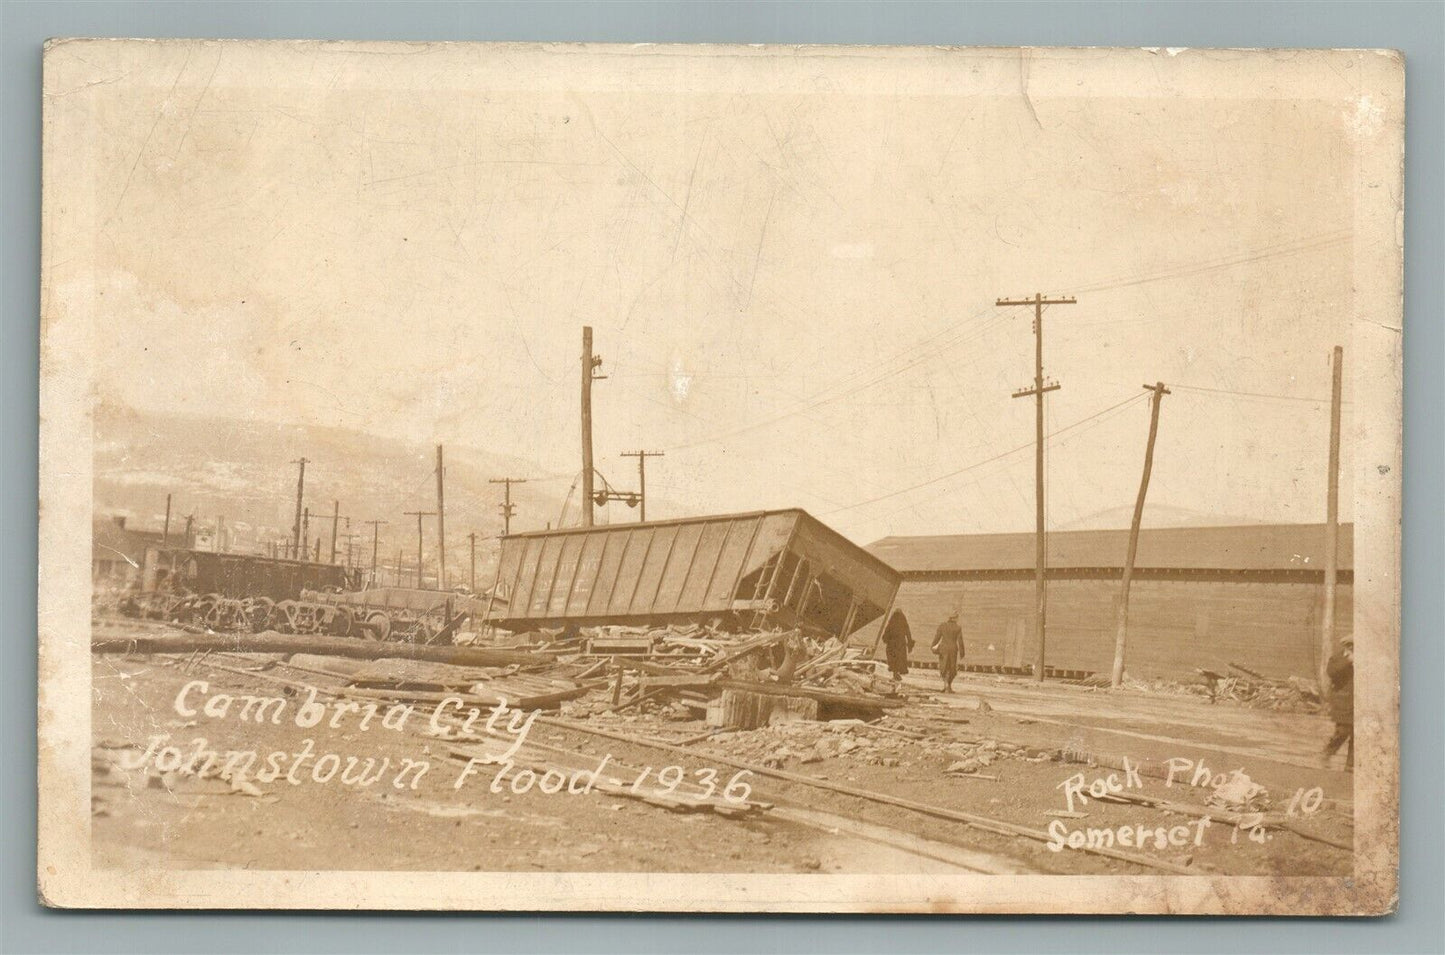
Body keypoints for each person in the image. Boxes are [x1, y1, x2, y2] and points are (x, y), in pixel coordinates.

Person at [1322, 638, 1353, 771]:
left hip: (1358, 702)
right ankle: (1328, 752)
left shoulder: (1365, 658)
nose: (1352, 648)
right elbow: (1332, 672)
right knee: (1343, 731)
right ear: (1347, 646)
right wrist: (1348, 661)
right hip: (1342, 702)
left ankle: (1350, 764)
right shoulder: (1337, 658)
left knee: (1357, 734)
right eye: (1351, 646)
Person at [932, 612, 964, 692]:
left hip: (944, 649)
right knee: (952, 667)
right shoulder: (958, 628)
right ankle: (948, 686)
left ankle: (946, 685)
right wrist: (962, 652)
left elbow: (937, 637)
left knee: (944, 666)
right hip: (953, 649)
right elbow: (960, 641)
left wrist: (933, 645)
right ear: (955, 618)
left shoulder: (942, 626)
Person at [880, 612, 914, 684]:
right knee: (899, 659)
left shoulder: (891, 623)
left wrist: (886, 639)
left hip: (891, 644)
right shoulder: (904, 624)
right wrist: (910, 644)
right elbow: (908, 634)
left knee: (893, 659)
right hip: (900, 644)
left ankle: (895, 674)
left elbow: (886, 634)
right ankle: (896, 674)